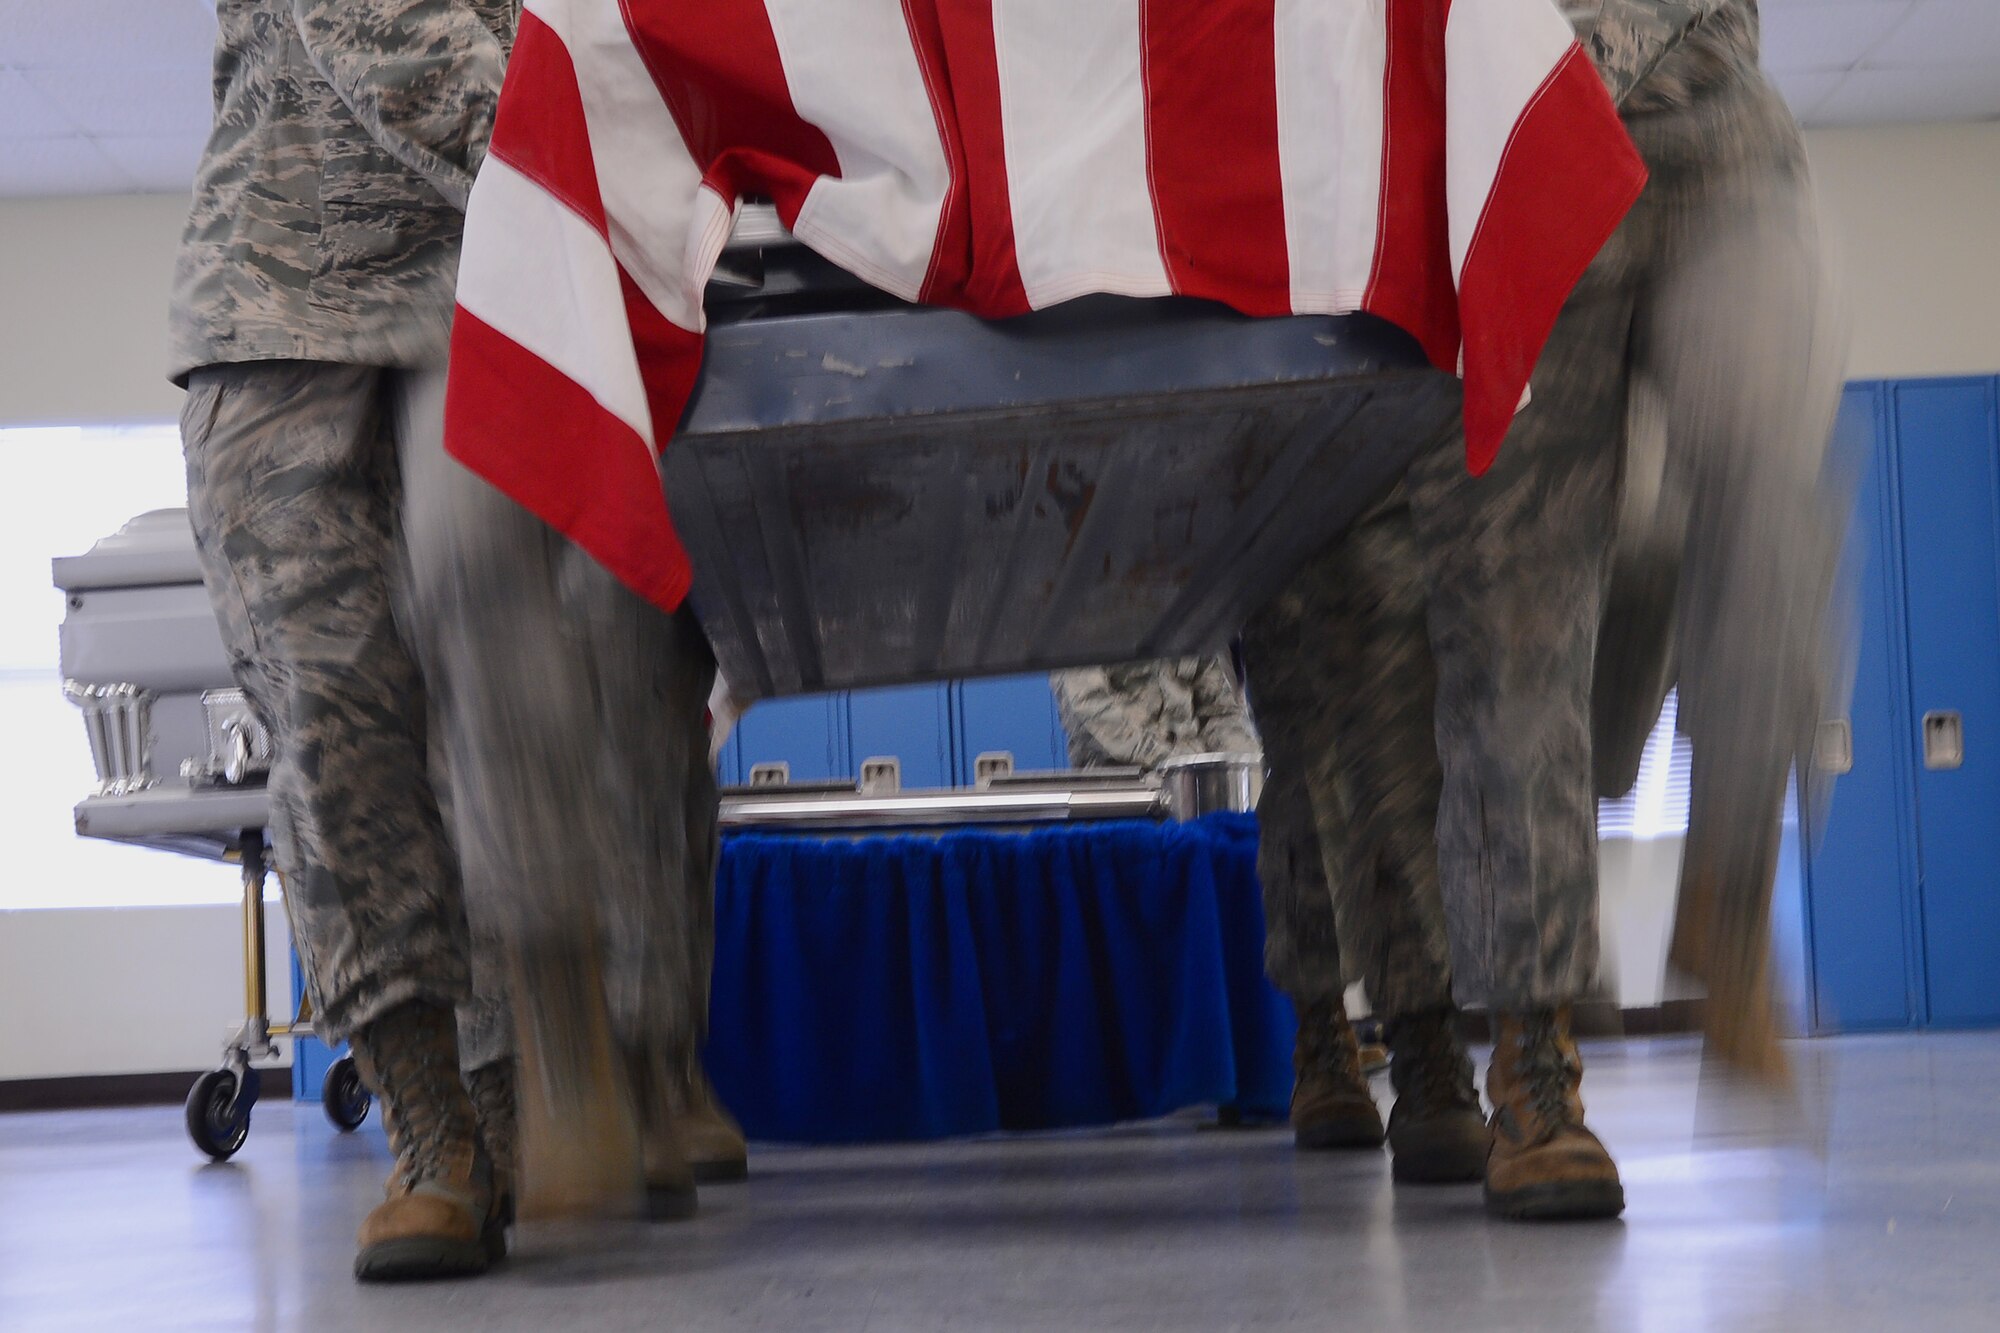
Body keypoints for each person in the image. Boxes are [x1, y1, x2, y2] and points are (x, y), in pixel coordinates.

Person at [1244, 0, 1845, 1221]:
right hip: (1506, 117)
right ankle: (1529, 1069)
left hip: (1712, 98)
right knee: (1508, 622)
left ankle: (1727, 900)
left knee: (1774, 486)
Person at [170, 0, 737, 1282]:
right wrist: (619, 179)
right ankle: (432, 1126)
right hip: (281, 292)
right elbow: (377, 28)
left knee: (506, 689)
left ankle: (519, 1093)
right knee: (333, 722)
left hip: (498, 287)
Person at [1051, 657, 1261, 771]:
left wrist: (1247, 765)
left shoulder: (1188, 615)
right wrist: (1176, 765)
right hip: (1123, 785)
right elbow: (1092, 710)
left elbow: (1219, 710)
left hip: (1197, 778)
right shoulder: (1081, 621)